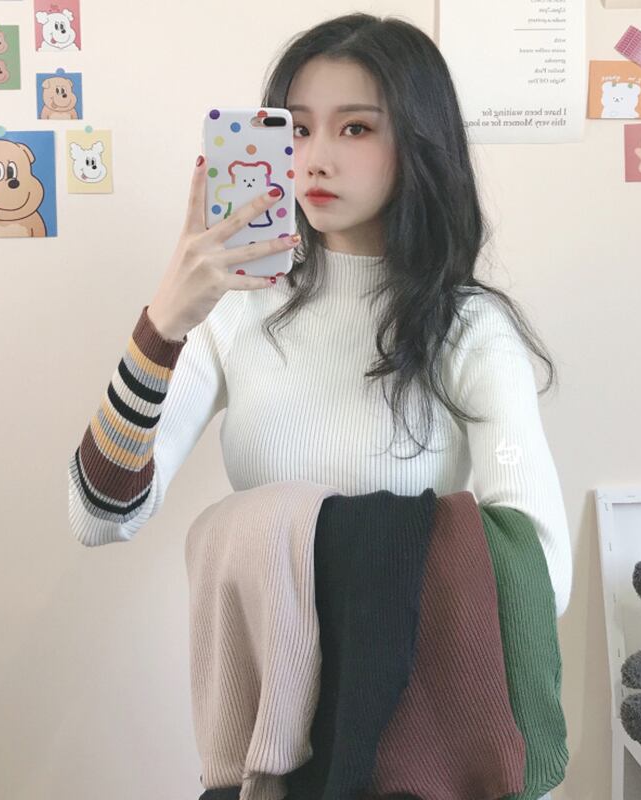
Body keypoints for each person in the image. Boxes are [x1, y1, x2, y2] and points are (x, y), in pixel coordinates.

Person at [68, 14, 571, 797]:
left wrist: (282, 529)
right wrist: (164, 322)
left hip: (416, 751)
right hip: (273, 748)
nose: (315, 159)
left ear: (419, 143)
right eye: (296, 129)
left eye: (356, 128)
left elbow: (541, 565)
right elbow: (99, 516)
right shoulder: (233, 313)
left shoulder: (469, 328)